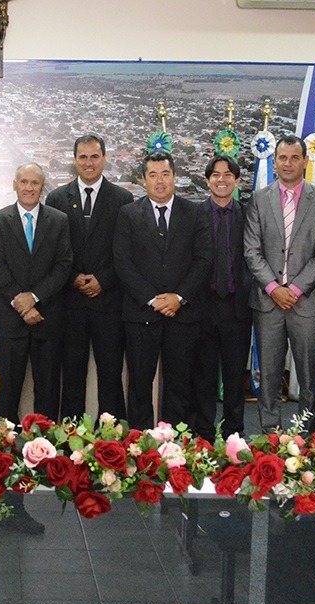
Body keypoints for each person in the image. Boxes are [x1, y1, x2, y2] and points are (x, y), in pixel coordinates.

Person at [0, 162, 71, 546]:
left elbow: (64, 265)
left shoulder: (58, 220)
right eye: (23, 182)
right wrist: (20, 302)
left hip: (47, 320)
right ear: (14, 185)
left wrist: (36, 298)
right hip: (11, 322)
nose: (29, 187)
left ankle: (22, 497)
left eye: (35, 183)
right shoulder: (0, 220)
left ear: (43, 187)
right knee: (3, 408)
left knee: (43, 407)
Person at [243, 135, 315, 433]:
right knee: (268, 376)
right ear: (275, 162)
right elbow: (251, 251)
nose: (288, 163)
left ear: (305, 161)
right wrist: (274, 288)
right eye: (282, 158)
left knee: (310, 378)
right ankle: (270, 437)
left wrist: (294, 290)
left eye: (295, 157)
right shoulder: (259, 199)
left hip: (308, 304)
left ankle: (306, 439)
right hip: (268, 303)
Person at [113, 151, 212, 432]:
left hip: (182, 314)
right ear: (143, 179)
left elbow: (203, 260)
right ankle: (139, 446)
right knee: (140, 385)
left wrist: (178, 298)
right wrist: (153, 299)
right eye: (153, 175)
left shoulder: (194, 212)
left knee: (179, 385)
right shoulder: (128, 214)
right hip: (141, 313)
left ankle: (175, 449)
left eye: (165, 174)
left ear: (174, 177)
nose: (159, 181)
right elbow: (123, 262)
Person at [45, 134, 133, 420]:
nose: (89, 162)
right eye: (82, 157)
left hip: (108, 302)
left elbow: (125, 251)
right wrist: (73, 278)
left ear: (104, 159)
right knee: (72, 375)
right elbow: (52, 251)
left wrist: (103, 280)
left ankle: (111, 442)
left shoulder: (122, 199)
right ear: (74, 161)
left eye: (94, 156)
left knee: (110, 375)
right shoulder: (57, 199)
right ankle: (71, 439)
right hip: (70, 304)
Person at [189, 155, 250, 441]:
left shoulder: (249, 215)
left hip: (237, 307)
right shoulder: (193, 215)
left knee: (236, 376)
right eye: (215, 174)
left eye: (228, 175)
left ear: (237, 181)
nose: (222, 179)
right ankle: (203, 433)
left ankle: (233, 433)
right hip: (202, 306)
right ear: (207, 180)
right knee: (203, 376)